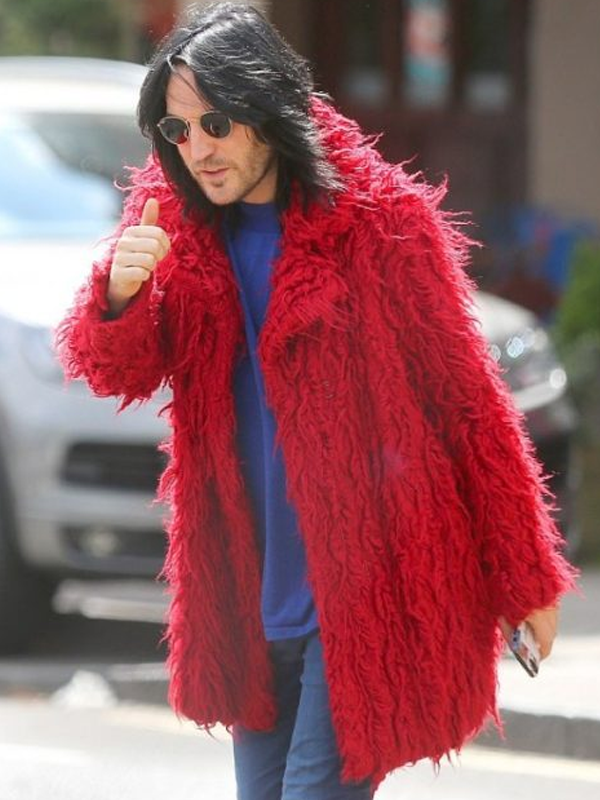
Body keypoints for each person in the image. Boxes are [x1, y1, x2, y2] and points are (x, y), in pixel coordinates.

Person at [56, 3, 577, 798]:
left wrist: (526, 576)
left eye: (216, 123)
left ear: (268, 108)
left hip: (366, 589)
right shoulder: (174, 226)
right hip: (249, 591)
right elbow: (115, 371)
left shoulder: (380, 223)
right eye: (175, 131)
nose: (196, 149)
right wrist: (120, 294)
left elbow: (468, 403)